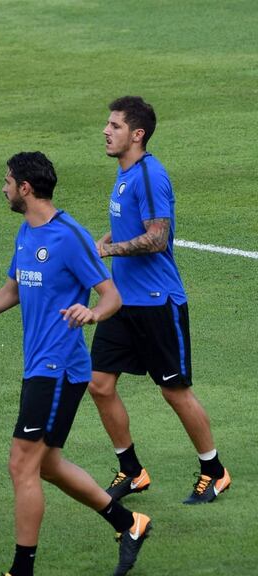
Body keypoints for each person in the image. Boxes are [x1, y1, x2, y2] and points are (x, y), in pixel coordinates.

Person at [0, 152, 151, 576]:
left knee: (20, 464)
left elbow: (111, 293)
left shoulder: (69, 236)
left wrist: (93, 314)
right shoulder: (26, 233)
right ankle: (128, 523)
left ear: (26, 188)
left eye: (7, 181)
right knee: (47, 464)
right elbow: (11, 292)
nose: (3, 188)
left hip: (59, 369)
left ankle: (21, 569)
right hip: (40, 368)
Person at [89, 96, 231, 505]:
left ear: (137, 134)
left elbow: (157, 237)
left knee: (174, 390)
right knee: (99, 384)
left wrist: (107, 252)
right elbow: (128, 225)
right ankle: (132, 471)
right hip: (123, 302)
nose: (106, 130)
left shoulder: (150, 175)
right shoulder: (125, 174)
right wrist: (105, 240)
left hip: (157, 301)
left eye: (114, 126)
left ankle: (214, 470)